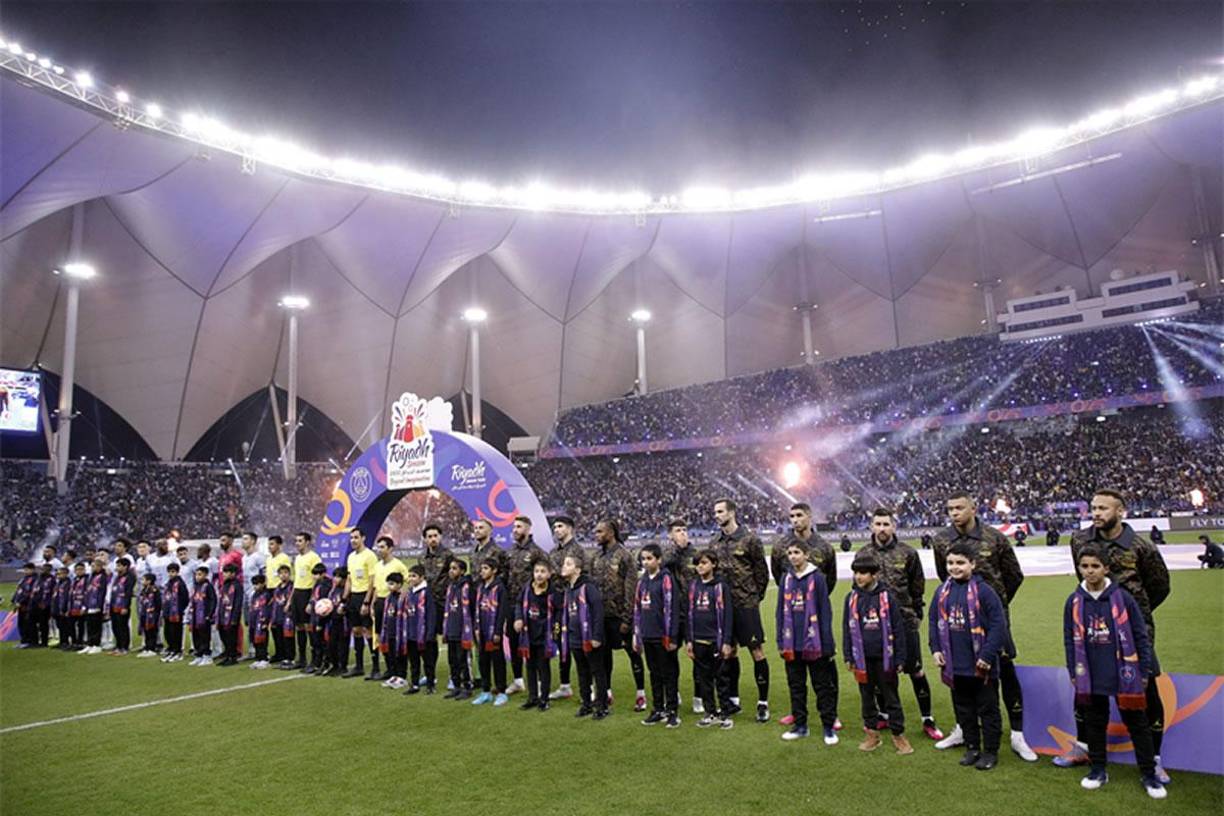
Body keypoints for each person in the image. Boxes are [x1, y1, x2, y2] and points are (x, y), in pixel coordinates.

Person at [1067, 490, 1172, 783]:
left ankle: (1154, 759)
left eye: (1103, 508)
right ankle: (1085, 748)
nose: (1096, 513)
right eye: (1094, 507)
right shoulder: (1079, 540)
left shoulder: (1141, 546)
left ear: (1120, 511)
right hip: (1091, 630)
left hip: (1133, 634)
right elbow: (1083, 580)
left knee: (1146, 693)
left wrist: (1130, 615)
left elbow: (1160, 587)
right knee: (1087, 691)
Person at [932, 492, 1034, 761]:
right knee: (960, 673)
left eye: (959, 507)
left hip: (993, 621)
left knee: (1005, 671)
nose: (954, 513)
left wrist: (994, 606)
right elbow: (945, 577)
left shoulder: (994, 537)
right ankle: (963, 729)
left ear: (973, 509)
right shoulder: (941, 540)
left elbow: (1014, 575)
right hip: (958, 621)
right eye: (950, 509)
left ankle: (1017, 734)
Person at [859, 508, 942, 740]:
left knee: (915, 670)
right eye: (878, 524)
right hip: (875, 624)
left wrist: (916, 614)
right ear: (872, 526)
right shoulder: (864, 554)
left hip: (904, 621)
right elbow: (860, 588)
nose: (882, 528)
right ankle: (885, 714)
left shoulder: (908, 553)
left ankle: (927, 718)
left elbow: (917, 586)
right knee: (880, 672)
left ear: (894, 526)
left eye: (886, 524)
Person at [929, 541, 1009, 771]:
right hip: (956, 664)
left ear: (972, 564)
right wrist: (936, 649)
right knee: (964, 709)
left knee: (988, 709)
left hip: (981, 665)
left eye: (960, 562)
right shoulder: (942, 592)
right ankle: (972, 747)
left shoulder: (985, 591)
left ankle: (990, 751)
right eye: (950, 563)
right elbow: (934, 622)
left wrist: (987, 654)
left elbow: (998, 625)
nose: (954, 567)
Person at [773, 502, 839, 730]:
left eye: (799, 515)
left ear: (810, 516)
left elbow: (830, 581)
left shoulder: (825, 547)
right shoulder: (781, 546)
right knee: (796, 672)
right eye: (791, 516)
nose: (795, 520)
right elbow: (778, 576)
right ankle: (797, 713)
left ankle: (831, 714)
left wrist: (813, 601)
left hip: (816, 615)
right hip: (792, 614)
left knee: (824, 671)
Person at [844, 553, 913, 755]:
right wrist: (848, 655)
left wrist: (900, 658)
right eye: (856, 572)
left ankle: (898, 735)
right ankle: (872, 735)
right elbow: (847, 629)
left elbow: (898, 629)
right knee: (866, 698)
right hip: (861, 658)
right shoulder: (851, 598)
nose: (858, 577)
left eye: (863, 573)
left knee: (891, 697)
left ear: (874, 575)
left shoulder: (887, 598)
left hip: (885, 658)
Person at [711, 498, 771, 723]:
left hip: (746, 605)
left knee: (757, 651)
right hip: (724, 608)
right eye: (715, 512)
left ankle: (763, 703)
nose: (717, 515)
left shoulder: (750, 539)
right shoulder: (714, 542)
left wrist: (754, 597)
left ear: (732, 512)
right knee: (729, 652)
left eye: (720, 511)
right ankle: (733, 699)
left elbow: (761, 572)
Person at [591, 518, 646, 713]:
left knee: (633, 654)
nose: (596, 535)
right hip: (601, 616)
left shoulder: (624, 555)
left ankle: (641, 694)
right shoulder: (596, 557)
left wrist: (627, 618)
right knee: (603, 656)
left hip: (620, 616)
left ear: (611, 532)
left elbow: (631, 588)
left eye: (600, 531)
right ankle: (606, 692)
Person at [634, 543, 682, 728]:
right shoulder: (642, 581)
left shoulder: (666, 579)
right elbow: (637, 609)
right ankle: (658, 709)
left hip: (663, 635)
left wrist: (672, 636)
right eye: (643, 559)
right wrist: (637, 634)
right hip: (648, 634)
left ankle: (672, 711)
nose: (646, 562)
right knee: (654, 674)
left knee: (669, 674)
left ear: (659, 560)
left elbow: (672, 608)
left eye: (649, 558)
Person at [687, 549, 734, 729]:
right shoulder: (693, 586)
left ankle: (725, 713)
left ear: (714, 564)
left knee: (721, 679)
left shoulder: (721, 587)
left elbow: (728, 615)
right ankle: (710, 712)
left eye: (704, 563)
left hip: (716, 640)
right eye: (697, 563)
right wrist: (689, 640)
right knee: (704, 680)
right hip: (698, 640)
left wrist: (727, 641)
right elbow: (689, 614)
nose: (700, 566)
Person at [561, 553, 607, 720]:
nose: (564, 566)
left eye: (568, 564)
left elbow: (598, 612)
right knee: (582, 672)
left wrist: (597, 636)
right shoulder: (568, 589)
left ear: (578, 570)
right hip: (575, 638)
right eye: (564, 563)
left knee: (597, 671)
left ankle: (602, 706)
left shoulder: (588, 587)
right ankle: (586, 703)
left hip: (589, 637)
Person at [505, 516, 546, 695]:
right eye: (514, 527)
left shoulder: (537, 552)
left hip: (531, 605)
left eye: (519, 527)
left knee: (533, 644)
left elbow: (545, 576)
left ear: (528, 529)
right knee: (513, 641)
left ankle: (538, 682)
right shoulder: (510, 551)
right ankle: (518, 680)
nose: (515, 530)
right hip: (512, 604)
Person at [548, 514, 587, 701]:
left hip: (575, 603)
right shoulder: (553, 552)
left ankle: (589, 686)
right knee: (561, 642)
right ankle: (565, 685)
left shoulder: (577, 550)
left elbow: (582, 575)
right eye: (555, 527)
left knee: (580, 645)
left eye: (560, 526)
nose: (556, 530)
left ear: (570, 528)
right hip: (557, 604)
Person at [515, 557, 559, 711]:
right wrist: (518, 618)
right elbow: (519, 603)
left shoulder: (552, 592)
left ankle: (544, 698)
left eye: (542, 572)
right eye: (536, 571)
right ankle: (532, 697)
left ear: (549, 574)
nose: (539, 575)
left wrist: (555, 629)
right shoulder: (527, 588)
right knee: (530, 666)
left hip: (544, 635)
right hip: (528, 634)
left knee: (543, 667)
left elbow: (559, 611)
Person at [370, 536, 409, 682]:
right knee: (381, 636)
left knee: (395, 636)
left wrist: (401, 598)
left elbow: (408, 582)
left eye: (382, 547)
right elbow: (375, 587)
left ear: (390, 548)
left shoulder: (398, 565)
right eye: (378, 547)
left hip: (393, 604)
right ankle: (389, 669)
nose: (379, 550)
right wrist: (372, 604)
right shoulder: (377, 565)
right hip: (380, 603)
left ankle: (400, 670)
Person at [471, 559, 510, 706]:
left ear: (494, 570)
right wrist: (476, 627)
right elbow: (477, 609)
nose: (482, 571)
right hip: (481, 631)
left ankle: (501, 692)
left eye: (486, 568)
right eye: (481, 568)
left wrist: (498, 631)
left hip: (493, 631)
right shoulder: (481, 587)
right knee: (483, 661)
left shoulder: (499, 588)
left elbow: (502, 611)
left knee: (497, 661)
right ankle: (485, 691)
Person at [343, 528, 379, 678]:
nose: (353, 540)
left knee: (368, 631)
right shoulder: (351, 557)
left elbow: (372, 581)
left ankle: (376, 667)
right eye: (351, 538)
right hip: (354, 597)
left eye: (356, 537)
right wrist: (344, 599)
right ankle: (359, 666)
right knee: (356, 631)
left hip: (365, 595)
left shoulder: (370, 556)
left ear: (363, 538)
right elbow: (349, 579)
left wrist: (367, 602)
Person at [441, 559, 475, 700]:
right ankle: (456, 686)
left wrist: (470, 628)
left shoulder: (467, 587)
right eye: (450, 568)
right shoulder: (451, 586)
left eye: (454, 568)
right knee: (452, 660)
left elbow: (472, 609)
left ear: (462, 571)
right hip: (452, 629)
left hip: (463, 630)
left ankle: (467, 687)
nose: (451, 571)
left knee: (463, 661)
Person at [403, 564, 439, 694]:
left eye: (414, 576)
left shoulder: (427, 592)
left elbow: (431, 614)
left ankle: (430, 685)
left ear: (422, 577)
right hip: (411, 633)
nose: (411, 579)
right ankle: (414, 684)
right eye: (409, 576)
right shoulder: (409, 592)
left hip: (424, 634)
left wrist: (430, 633)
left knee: (428, 661)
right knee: (413, 661)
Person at [290, 532, 321, 671]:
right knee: (299, 627)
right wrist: (290, 600)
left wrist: (312, 599)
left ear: (307, 542)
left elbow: (317, 580)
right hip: (297, 593)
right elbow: (297, 579)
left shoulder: (314, 557)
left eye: (300, 541)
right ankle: (301, 658)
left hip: (307, 593)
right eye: (296, 541)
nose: (297, 543)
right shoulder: (297, 558)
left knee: (309, 627)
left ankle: (315, 659)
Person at [379, 571, 409, 690]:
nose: (389, 586)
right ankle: (394, 675)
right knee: (391, 654)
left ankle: (402, 677)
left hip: (400, 632)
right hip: (390, 631)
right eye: (388, 583)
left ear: (399, 584)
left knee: (400, 655)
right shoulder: (389, 597)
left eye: (392, 584)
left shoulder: (404, 597)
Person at [418, 523, 454, 621]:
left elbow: (454, 575)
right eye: (429, 537)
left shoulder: (448, 555)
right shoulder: (421, 557)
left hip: (443, 599)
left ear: (440, 537)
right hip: (427, 599)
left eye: (435, 536)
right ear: (425, 539)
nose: (433, 539)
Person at [303, 562, 331, 675]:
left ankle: (324, 663)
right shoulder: (317, 584)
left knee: (321, 641)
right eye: (314, 574)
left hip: (321, 617)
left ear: (323, 574)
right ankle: (315, 662)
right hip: (314, 615)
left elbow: (324, 602)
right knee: (314, 640)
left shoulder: (326, 585)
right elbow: (314, 596)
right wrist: (310, 603)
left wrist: (320, 621)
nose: (315, 577)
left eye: (317, 574)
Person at [323, 567, 351, 677]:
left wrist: (344, 608)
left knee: (342, 644)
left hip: (343, 621)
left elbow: (349, 604)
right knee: (332, 644)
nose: (335, 579)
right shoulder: (333, 590)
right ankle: (334, 665)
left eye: (338, 577)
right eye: (334, 576)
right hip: (332, 620)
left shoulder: (347, 591)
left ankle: (342, 666)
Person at [216, 562, 244, 666]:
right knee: (223, 636)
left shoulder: (237, 585)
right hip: (223, 614)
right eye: (224, 572)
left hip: (232, 615)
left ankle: (233, 656)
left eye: (226, 572)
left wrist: (235, 618)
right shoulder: (225, 585)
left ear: (233, 573)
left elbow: (238, 602)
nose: (224, 574)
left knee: (231, 637)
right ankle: (227, 655)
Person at [161, 562, 190, 663]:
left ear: (177, 572)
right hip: (167, 612)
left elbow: (185, 598)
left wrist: (180, 609)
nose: (171, 574)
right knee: (167, 632)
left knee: (176, 632)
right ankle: (171, 649)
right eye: (169, 572)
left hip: (176, 612)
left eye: (173, 572)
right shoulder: (168, 583)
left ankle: (178, 651)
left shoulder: (180, 583)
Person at [108, 557, 137, 655]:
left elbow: (128, 592)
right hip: (114, 604)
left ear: (125, 566)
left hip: (122, 605)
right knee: (115, 626)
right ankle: (118, 646)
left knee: (122, 627)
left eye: (119, 565)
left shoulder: (130, 577)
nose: (117, 568)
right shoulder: (117, 576)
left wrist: (125, 606)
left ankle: (124, 647)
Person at [189, 566, 217, 666]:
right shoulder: (196, 586)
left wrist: (209, 614)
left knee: (204, 636)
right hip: (195, 615)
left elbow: (213, 600)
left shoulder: (208, 586)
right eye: (196, 574)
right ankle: (199, 655)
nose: (197, 576)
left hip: (204, 616)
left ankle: (207, 656)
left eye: (200, 574)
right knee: (196, 636)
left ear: (205, 575)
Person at [270, 564, 296, 668]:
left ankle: (290, 657)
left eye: (285, 573)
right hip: (278, 616)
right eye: (281, 573)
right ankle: (281, 656)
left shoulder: (292, 587)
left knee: (288, 637)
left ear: (289, 574)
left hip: (288, 616)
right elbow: (275, 603)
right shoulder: (277, 588)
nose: (283, 575)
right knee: (278, 637)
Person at [247, 574, 274, 669]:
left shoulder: (267, 595)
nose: (255, 586)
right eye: (254, 584)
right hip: (254, 620)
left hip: (262, 621)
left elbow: (268, 609)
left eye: (257, 584)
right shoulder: (254, 595)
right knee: (254, 640)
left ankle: (264, 658)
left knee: (261, 639)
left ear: (263, 584)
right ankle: (258, 658)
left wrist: (266, 621)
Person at [11, 563, 38, 648]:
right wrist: (14, 600)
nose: (25, 571)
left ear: (32, 569)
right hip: (20, 605)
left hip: (28, 605)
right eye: (25, 570)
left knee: (29, 623)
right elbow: (19, 590)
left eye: (27, 570)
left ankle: (31, 641)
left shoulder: (35, 579)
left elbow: (29, 593)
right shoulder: (24, 579)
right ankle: (24, 640)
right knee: (21, 623)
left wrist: (21, 602)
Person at [136, 573, 162, 657]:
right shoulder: (144, 590)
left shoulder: (155, 590)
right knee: (146, 631)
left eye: (143, 580)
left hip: (152, 614)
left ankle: (152, 649)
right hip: (144, 613)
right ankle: (147, 648)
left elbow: (158, 603)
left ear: (149, 581)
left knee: (152, 632)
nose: (142, 581)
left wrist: (154, 612)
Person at [52, 565, 75, 651]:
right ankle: (62, 641)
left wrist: (63, 608)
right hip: (57, 608)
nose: (58, 576)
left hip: (63, 609)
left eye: (60, 574)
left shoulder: (68, 583)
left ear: (66, 574)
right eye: (57, 574)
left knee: (65, 626)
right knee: (60, 626)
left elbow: (66, 597)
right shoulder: (59, 583)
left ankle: (66, 642)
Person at [69, 561, 89, 651]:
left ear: (84, 570)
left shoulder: (87, 579)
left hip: (82, 605)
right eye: (77, 570)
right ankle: (74, 642)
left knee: (81, 625)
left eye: (81, 569)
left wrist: (84, 606)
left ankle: (80, 642)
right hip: (73, 605)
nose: (79, 571)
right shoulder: (74, 580)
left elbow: (87, 593)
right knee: (71, 625)